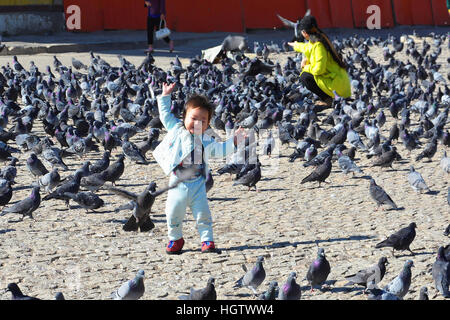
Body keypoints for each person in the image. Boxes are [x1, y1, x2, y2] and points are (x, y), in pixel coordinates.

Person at [152, 82, 247, 254]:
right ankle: (175, 238)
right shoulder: (177, 129)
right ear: (184, 118)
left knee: (203, 214)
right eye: (193, 118)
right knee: (172, 213)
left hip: (198, 184)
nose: (197, 123)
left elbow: (220, 150)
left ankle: (207, 240)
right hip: (177, 183)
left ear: (208, 123)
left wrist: (233, 142)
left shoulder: (206, 139)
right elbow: (165, 115)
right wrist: (165, 96)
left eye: (203, 120)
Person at [288, 15, 351, 108]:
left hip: (338, 86)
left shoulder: (318, 45)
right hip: (340, 81)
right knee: (306, 73)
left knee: (305, 77)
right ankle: (332, 97)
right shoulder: (320, 37)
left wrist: (305, 67)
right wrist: (296, 45)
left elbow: (319, 70)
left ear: (304, 33)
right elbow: (307, 47)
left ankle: (328, 99)